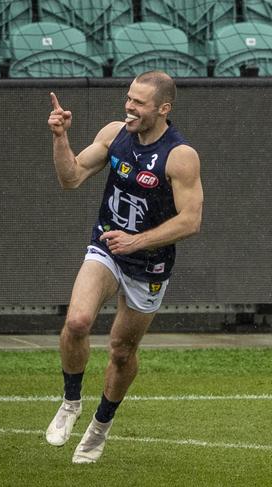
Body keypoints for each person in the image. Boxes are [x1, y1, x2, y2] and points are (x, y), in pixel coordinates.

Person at [45, 71, 203, 462]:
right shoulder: (116, 133)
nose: (128, 106)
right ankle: (70, 403)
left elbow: (191, 220)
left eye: (139, 102)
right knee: (78, 322)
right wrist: (61, 138)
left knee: (121, 350)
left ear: (163, 109)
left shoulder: (180, 155)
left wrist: (137, 240)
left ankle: (100, 426)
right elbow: (71, 177)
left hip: (148, 264)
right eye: (128, 98)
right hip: (106, 247)